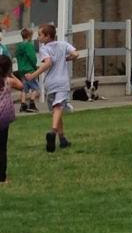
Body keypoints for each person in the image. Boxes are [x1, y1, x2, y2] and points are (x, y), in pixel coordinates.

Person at [23, 23, 78, 152]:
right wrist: (67, 58)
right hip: (62, 82)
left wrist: (33, 75)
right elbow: (76, 54)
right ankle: (53, 132)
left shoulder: (44, 48)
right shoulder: (63, 44)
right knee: (58, 108)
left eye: (40, 35)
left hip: (50, 83)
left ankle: (62, 139)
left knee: (56, 110)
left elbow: (47, 62)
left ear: (47, 36)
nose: (38, 38)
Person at [0, 55, 23, 183]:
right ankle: (2, 177)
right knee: (2, 148)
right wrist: (11, 74)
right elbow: (21, 86)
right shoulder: (9, 81)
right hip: (3, 118)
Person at [14, 28, 40, 113]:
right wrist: (35, 67)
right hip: (29, 69)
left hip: (21, 69)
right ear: (29, 36)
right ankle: (32, 103)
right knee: (35, 88)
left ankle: (23, 104)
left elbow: (17, 57)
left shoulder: (18, 46)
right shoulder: (29, 45)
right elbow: (32, 57)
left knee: (24, 88)